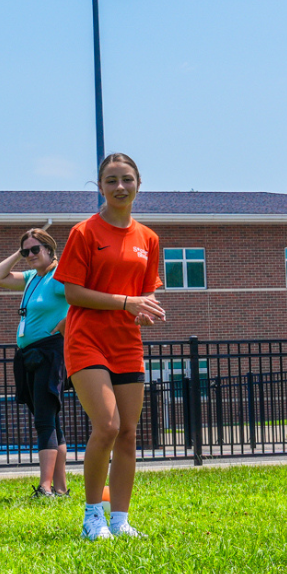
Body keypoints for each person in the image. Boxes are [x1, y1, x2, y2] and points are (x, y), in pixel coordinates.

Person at [53, 154, 166, 541]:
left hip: (126, 343)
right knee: (108, 426)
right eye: (112, 180)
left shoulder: (148, 239)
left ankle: (120, 520)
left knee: (129, 433)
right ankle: (92, 517)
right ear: (100, 187)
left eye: (127, 179)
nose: (120, 187)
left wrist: (145, 309)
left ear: (138, 184)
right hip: (87, 340)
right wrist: (126, 302)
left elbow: (147, 291)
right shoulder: (84, 233)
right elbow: (72, 292)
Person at [0, 228, 69, 498]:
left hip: (50, 353)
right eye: (26, 251)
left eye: (36, 249)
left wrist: (66, 323)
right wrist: (19, 253)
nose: (30, 255)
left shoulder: (59, 277)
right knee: (51, 422)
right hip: (29, 355)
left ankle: (45, 487)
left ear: (50, 249)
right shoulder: (32, 277)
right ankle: (60, 488)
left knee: (45, 420)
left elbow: (84, 300)